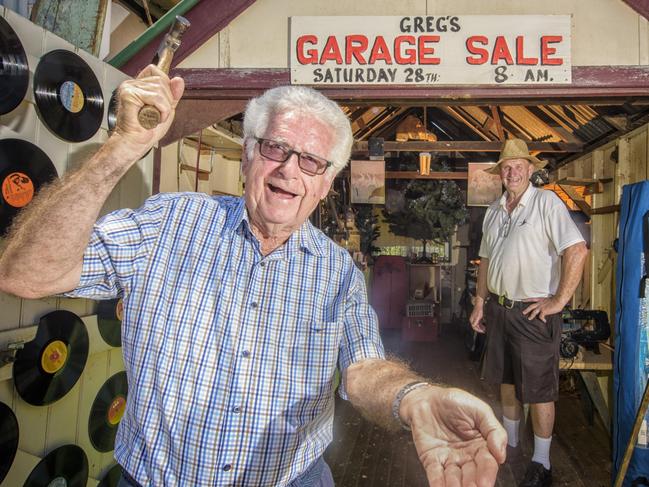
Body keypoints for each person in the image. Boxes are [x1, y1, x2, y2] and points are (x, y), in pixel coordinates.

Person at [0, 65, 507, 487]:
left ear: (327, 183)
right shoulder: (167, 224)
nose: (290, 170)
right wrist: (120, 148)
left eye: (311, 161)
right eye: (274, 148)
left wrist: (414, 398)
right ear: (246, 154)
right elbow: (26, 274)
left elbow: (364, 367)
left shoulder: (337, 273)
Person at [469, 139, 588, 487]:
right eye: (506, 167)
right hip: (500, 309)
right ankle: (511, 444)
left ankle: (542, 463)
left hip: (535, 312)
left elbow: (577, 250)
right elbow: (486, 262)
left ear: (530, 169)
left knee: (538, 391)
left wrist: (559, 300)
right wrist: (479, 302)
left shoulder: (546, 203)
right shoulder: (494, 210)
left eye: (519, 165)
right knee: (506, 382)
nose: (512, 171)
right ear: (500, 174)